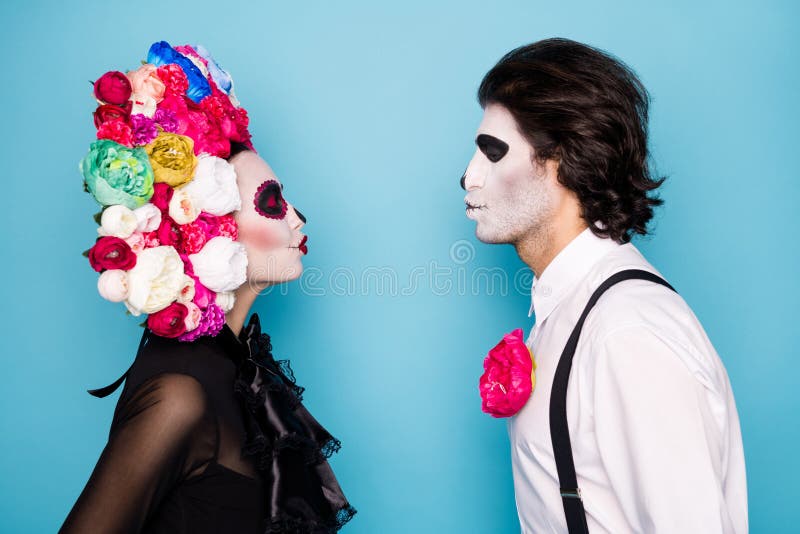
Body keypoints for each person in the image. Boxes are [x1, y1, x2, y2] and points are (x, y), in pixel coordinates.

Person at [60, 41, 355, 533]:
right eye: (273, 202)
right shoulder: (180, 394)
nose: (299, 220)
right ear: (211, 227)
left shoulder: (242, 374)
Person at [465, 38, 747, 533]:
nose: (468, 176)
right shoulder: (576, 310)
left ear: (563, 161)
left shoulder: (626, 333)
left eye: (493, 153)